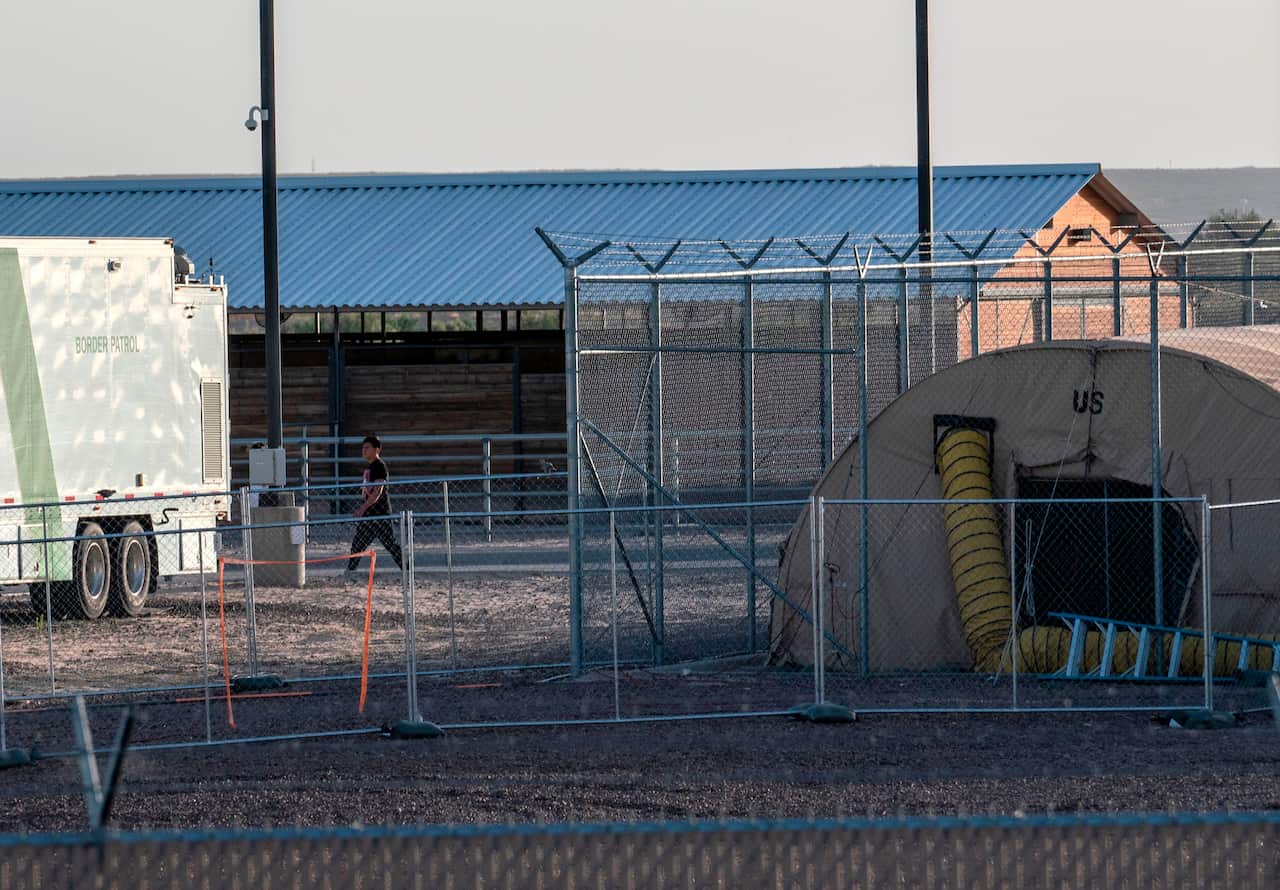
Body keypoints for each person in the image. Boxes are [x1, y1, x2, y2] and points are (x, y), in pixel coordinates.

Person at [343, 434, 403, 581]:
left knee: (390, 544)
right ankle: (350, 572)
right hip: (369, 515)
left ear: (377, 449)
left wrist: (362, 509)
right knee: (358, 544)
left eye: (367, 448)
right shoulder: (370, 467)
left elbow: (377, 492)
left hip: (379, 514)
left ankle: (407, 568)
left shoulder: (379, 466)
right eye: (363, 448)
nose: (364, 450)